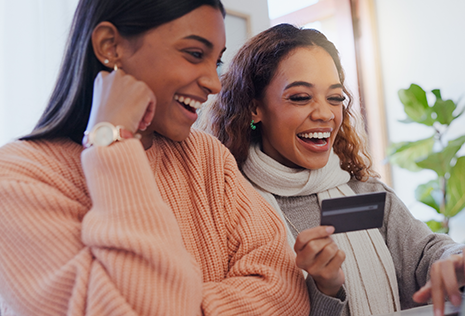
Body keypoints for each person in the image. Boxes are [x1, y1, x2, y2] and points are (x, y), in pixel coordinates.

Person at [0, 2, 309, 315]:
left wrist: (183, 305)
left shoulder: (207, 158)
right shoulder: (19, 180)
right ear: (110, 45)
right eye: (195, 54)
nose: (214, 84)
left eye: (216, 61)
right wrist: (114, 144)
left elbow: (287, 291)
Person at [205, 23, 465, 316]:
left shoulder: (364, 192)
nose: (324, 114)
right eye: (300, 97)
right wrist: (325, 289)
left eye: (334, 98)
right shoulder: (234, 205)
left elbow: (427, 254)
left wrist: (457, 260)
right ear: (255, 107)